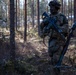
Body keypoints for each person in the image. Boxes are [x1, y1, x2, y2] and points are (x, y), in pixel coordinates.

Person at [39, 0, 69, 75]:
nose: (51, 9)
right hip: (51, 42)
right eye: (50, 7)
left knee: (56, 60)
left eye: (52, 7)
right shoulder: (47, 18)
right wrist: (44, 31)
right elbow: (41, 27)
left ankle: (56, 73)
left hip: (59, 41)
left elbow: (66, 28)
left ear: (56, 8)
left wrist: (58, 28)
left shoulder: (62, 17)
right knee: (52, 59)